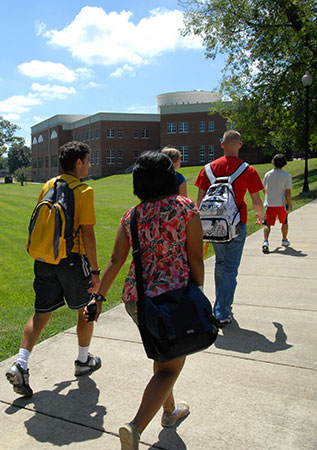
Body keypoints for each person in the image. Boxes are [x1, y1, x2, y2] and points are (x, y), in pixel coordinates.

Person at [85, 151, 204, 450]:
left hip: (138, 301)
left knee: (164, 357)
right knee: (168, 367)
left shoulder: (132, 215)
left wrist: (98, 298)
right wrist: (198, 292)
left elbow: (116, 260)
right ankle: (135, 427)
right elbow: (195, 257)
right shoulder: (185, 208)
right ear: (168, 177)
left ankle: (169, 412)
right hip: (174, 300)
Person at [6, 141, 101, 397]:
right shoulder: (84, 190)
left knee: (41, 313)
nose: (90, 165)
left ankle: (21, 363)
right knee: (85, 307)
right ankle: (83, 361)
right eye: (88, 160)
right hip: (72, 259)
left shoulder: (49, 185)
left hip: (45, 258)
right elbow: (88, 234)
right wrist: (95, 270)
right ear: (78, 163)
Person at [195, 130, 264, 327]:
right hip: (236, 224)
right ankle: (222, 311)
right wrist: (260, 216)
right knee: (231, 269)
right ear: (240, 145)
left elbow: (199, 201)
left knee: (220, 265)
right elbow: (256, 200)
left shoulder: (207, 169)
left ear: (222, 145)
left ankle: (220, 306)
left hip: (213, 226)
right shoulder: (247, 170)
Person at [262, 153, 292, 253]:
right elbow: (287, 192)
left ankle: (265, 241)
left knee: (267, 224)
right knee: (284, 222)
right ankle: (284, 240)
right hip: (281, 203)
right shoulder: (286, 176)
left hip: (270, 203)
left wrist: (267, 197)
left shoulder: (268, 175)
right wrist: (290, 204)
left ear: (273, 162)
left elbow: (264, 189)